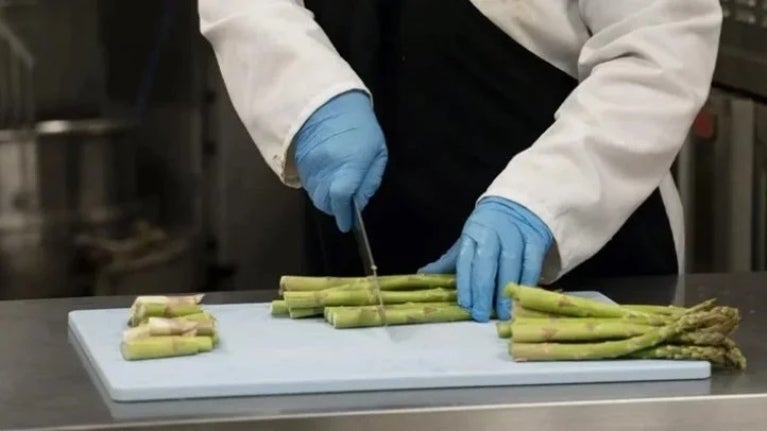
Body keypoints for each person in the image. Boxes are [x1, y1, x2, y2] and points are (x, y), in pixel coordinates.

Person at [198, 1, 722, 322]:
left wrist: (544, 200)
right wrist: (305, 96)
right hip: (359, 277)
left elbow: (657, 49)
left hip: (583, 269)